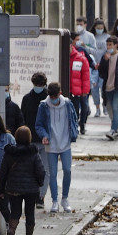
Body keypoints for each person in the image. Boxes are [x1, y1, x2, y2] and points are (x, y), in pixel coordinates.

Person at [0, 127, 45, 235]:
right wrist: (40, 183)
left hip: (14, 188)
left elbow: (3, 172)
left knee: (15, 212)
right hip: (31, 189)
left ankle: (11, 230)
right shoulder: (33, 153)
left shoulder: (10, 153)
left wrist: (1, 189)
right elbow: (40, 171)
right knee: (30, 214)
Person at [35, 82, 79, 213]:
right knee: (52, 173)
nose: (53, 99)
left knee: (67, 170)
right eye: (51, 96)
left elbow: (74, 119)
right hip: (51, 144)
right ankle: (54, 200)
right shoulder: (43, 105)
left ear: (60, 93)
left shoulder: (67, 103)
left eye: (55, 96)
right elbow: (39, 124)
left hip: (65, 143)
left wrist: (74, 133)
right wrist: (44, 135)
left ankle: (64, 198)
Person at [20, 72, 50, 209]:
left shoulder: (49, 98)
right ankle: (33, 194)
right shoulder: (27, 99)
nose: (38, 87)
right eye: (36, 84)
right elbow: (23, 119)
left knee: (44, 169)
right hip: (31, 140)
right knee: (32, 170)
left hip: (45, 140)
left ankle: (41, 196)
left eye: (40, 85)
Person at [69, 32, 92, 135]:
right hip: (66, 90)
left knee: (81, 109)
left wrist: (85, 90)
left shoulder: (80, 57)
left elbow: (86, 76)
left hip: (77, 91)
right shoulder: (61, 57)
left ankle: (80, 125)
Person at [90, 18, 110, 117]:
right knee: (93, 88)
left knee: (103, 87)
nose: (99, 30)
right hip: (93, 66)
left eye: (101, 28)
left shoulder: (107, 36)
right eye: (98, 28)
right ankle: (97, 108)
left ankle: (105, 105)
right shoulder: (91, 37)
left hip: (103, 66)